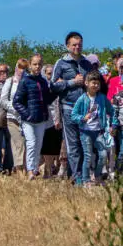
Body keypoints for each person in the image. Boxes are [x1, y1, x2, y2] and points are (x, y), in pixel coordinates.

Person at [51, 32, 98, 184]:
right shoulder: (61, 63)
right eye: (74, 45)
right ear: (67, 46)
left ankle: (84, 176)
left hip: (85, 109)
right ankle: (77, 177)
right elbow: (53, 85)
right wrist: (71, 82)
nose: (77, 47)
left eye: (79, 44)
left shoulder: (86, 63)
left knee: (85, 143)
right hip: (69, 108)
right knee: (73, 145)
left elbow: (95, 82)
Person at [13, 54, 55, 180]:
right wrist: (27, 114)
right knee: (31, 143)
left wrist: (56, 91)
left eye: (39, 64)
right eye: (35, 64)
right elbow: (16, 101)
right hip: (29, 120)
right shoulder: (25, 81)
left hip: (41, 119)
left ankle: (35, 168)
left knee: (38, 145)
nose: (37, 67)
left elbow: (47, 99)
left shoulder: (43, 81)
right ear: (30, 65)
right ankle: (30, 170)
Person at [72, 71, 116, 185]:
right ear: (86, 83)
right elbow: (73, 115)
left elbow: (112, 111)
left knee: (102, 155)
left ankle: (97, 176)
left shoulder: (102, 98)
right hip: (85, 132)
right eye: (93, 83)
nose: (96, 85)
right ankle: (86, 180)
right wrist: (82, 118)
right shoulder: (82, 99)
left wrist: (113, 124)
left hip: (99, 132)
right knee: (88, 156)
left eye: (98, 83)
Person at [40, 63, 65, 177]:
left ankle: (49, 169)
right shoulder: (41, 86)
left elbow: (57, 104)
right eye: (49, 73)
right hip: (44, 118)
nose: (51, 76)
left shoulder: (58, 86)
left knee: (52, 146)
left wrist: (57, 119)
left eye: (53, 73)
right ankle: (46, 168)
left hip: (56, 119)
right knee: (45, 146)